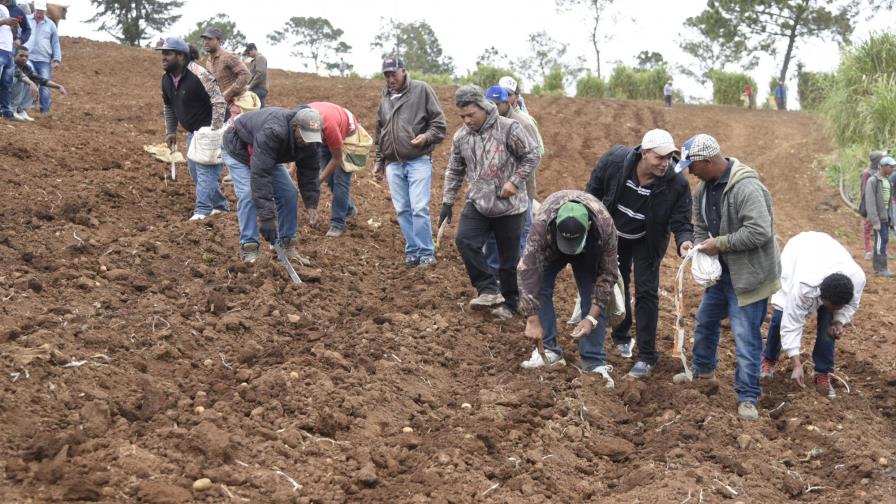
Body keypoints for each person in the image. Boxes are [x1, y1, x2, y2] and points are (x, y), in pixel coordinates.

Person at [672, 133, 781, 421]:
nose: (689, 172)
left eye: (691, 166)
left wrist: (718, 244)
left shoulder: (746, 188)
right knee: (706, 322)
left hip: (750, 277)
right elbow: (699, 226)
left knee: (746, 339)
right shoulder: (704, 189)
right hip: (723, 276)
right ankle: (704, 372)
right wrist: (695, 247)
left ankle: (748, 396)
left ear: (708, 162)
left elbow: (760, 231)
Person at [584, 129, 693, 378]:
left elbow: (682, 220)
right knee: (616, 284)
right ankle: (621, 335)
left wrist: (684, 241)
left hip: (648, 240)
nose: (666, 163)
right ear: (644, 153)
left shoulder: (676, 183)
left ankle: (646, 356)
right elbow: (592, 192)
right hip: (614, 236)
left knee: (646, 292)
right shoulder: (615, 162)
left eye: (670, 158)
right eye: (660, 158)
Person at [439, 85, 539, 319]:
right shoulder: (462, 136)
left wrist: (514, 181)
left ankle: (512, 302)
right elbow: (455, 170)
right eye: (462, 116)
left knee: (508, 260)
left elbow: (532, 154)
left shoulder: (509, 128)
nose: (466, 120)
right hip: (479, 202)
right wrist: (447, 202)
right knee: (465, 240)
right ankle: (488, 288)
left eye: (471, 115)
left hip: (510, 206)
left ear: (484, 107)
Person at [518, 190, 619, 385]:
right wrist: (531, 318)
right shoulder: (542, 227)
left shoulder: (604, 226)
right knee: (540, 288)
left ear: (588, 227)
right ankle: (548, 350)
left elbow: (607, 275)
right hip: (552, 248)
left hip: (589, 250)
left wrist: (590, 318)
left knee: (592, 291)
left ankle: (594, 361)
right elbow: (527, 270)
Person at [760, 232, 865, 398]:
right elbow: (792, 323)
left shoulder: (857, 279)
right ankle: (769, 359)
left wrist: (838, 322)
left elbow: (851, 305)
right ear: (821, 297)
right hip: (798, 253)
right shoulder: (805, 285)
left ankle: (822, 372)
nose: (832, 309)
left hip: (826, 251)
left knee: (828, 325)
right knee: (780, 317)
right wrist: (796, 364)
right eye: (830, 305)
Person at [221, 106, 321, 263]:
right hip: (238, 148)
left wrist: (311, 203)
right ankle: (249, 247)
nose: (306, 141)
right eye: (303, 136)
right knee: (248, 194)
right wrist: (267, 219)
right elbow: (261, 175)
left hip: (266, 154)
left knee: (289, 193)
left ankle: (287, 244)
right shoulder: (274, 131)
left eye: (310, 137)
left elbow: (310, 171)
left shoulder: (311, 140)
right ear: (295, 127)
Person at [372, 56, 447, 267]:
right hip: (393, 163)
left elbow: (439, 124)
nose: (390, 78)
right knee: (402, 209)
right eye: (386, 74)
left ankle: (426, 252)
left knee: (419, 208)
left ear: (403, 71)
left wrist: (426, 137)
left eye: (393, 73)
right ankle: (413, 250)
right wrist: (379, 160)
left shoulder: (421, 90)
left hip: (418, 160)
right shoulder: (385, 95)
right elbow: (381, 130)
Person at [158, 36, 229, 221]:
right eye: (162, 54)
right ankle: (220, 206)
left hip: (212, 129)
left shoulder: (200, 75)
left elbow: (219, 101)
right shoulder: (166, 79)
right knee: (195, 170)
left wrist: (215, 131)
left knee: (205, 170)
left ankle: (202, 210)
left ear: (181, 56)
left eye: (168, 54)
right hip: (194, 132)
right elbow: (169, 106)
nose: (163, 57)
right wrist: (171, 131)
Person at [482, 84, 543, 272]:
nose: (493, 108)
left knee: (520, 237)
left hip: (520, 192)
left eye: (497, 104)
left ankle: (519, 279)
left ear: (506, 102)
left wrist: (515, 180)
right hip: (493, 193)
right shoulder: (484, 125)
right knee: (492, 237)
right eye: (489, 104)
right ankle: (494, 280)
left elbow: (535, 154)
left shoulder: (522, 123)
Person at [307, 101, 361, 237]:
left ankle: (338, 223)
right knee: (330, 180)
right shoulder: (303, 117)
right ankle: (348, 208)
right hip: (329, 133)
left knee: (340, 181)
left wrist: (318, 180)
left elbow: (336, 159)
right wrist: (291, 169)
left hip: (348, 136)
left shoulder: (329, 128)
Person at [200, 27, 250, 116]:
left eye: (210, 39)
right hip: (223, 104)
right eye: (205, 39)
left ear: (219, 41)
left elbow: (245, 74)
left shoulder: (228, 56)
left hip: (239, 101)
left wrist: (228, 93)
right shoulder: (208, 62)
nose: (206, 42)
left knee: (232, 127)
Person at [11, 45, 64, 121]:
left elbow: (41, 80)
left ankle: (20, 110)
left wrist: (59, 86)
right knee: (20, 80)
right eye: (21, 56)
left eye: (26, 56)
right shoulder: (11, 63)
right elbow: (20, 76)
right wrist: (31, 83)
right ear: (14, 55)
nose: (24, 58)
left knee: (35, 82)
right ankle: (11, 110)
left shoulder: (26, 67)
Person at [23, 0, 58, 113]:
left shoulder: (51, 24)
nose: (39, 13)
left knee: (45, 84)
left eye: (41, 11)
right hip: (27, 56)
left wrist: (57, 59)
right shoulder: (26, 20)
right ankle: (27, 105)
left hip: (44, 59)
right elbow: (19, 34)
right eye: (38, 10)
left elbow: (55, 42)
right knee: (29, 79)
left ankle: (45, 109)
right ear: (34, 9)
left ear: (45, 11)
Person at [864, 156, 895, 277]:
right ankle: (881, 268)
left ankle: (879, 268)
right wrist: (875, 220)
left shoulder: (888, 181)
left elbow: (889, 202)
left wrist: (891, 218)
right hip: (879, 218)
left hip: (886, 217)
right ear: (884, 166)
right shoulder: (873, 181)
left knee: (884, 239)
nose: (892, 168)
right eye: (890, 166)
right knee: (881, 241)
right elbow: (870, 203)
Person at [860, 151, 886, 260]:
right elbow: (864, 191)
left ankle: (881, 250)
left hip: (880, 205)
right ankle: (868, 251)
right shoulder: (867, 174)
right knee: (868, 228)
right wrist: (867, 207)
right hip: (870, 204)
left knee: (881, 228)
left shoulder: (881, 172)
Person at [244, 43, 267, 108]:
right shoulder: (255, 60)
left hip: (259, 89)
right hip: (256, 88)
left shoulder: (260, 58)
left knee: (258, 110)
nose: (248, 55)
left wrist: (250, 86)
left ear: (253, 49)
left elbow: (260, 73)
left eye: (249, 52)